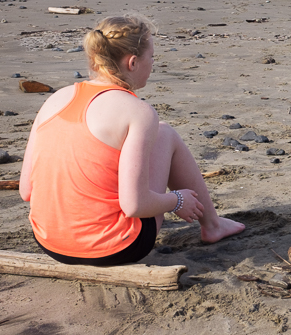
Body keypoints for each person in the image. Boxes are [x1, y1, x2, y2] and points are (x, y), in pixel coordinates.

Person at [19, 15, 245, 266]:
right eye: (152, 58)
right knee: (165, 133)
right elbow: (134, 205)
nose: (152, 64)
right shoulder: (137, 112)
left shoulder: (55, 99)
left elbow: (26, 190)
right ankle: (212, 225)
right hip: (116, 247)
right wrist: (178, 200)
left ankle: (213, 224)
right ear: (133, 62)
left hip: (50, 242)